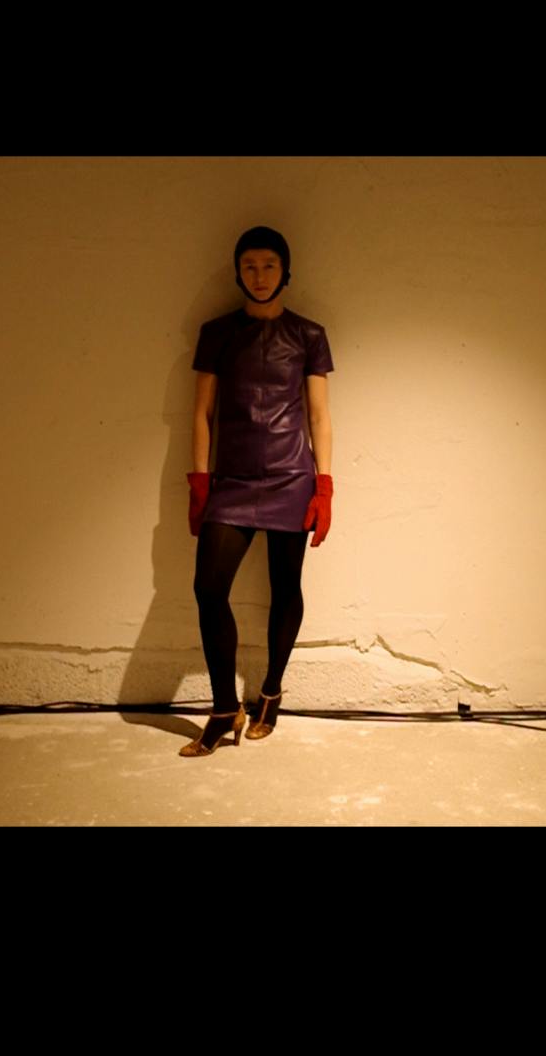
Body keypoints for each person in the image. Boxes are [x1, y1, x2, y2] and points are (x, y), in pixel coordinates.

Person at [181, 226, 335, 758]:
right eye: (249, 265)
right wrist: (200, 480)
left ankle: (271, 693)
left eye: (269, 265)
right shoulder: (217, 333)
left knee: (284, 587)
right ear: (237, 272)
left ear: (285, 270)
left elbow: (319, 415)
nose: (260, 275)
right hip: (233, 481)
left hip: (292, 478)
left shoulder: (309, 335)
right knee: (208, 588)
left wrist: (324, 485)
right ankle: (225, 708)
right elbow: (201, 412)